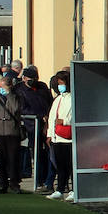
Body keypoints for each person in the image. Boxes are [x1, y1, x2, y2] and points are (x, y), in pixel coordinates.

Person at [0, 75, 25, 193]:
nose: (2, 89)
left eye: (4, 86)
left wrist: (9, 95)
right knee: (0, 160)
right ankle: (2, 184)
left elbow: (15, 109)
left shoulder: (16, 97)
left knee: (13, 159)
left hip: (12, 133)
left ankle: (14, 183)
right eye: (1, 86)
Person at [46, 72, 75, 201]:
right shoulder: (58, 99)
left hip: (69, 137)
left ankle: (73, 190)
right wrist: (50, 134)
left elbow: (75, 116)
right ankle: (60, 189)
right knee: (60, 165)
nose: (59, 86)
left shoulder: (72, 98)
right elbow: (52, 118)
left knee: (71, 165)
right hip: (57, 137)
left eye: (61, 83)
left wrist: (65, 121)